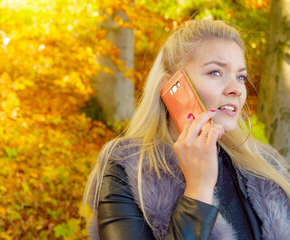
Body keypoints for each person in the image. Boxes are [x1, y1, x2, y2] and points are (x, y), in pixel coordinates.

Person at [83, 19, 290, 240]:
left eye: (240, 76)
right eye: (216, 72)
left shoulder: (267, 167)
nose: (237, 89)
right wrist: (198, 190)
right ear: (170, 86)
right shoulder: (126, 168)